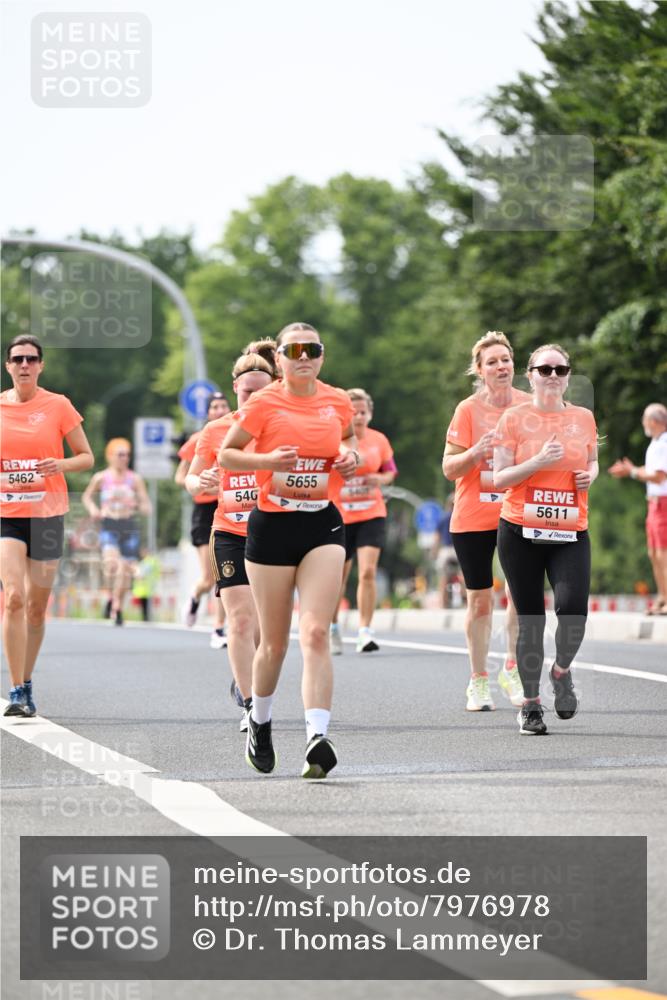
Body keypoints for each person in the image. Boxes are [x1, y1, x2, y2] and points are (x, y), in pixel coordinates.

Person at [220, 322, 359, 779]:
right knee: (274, 644)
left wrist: (349, 454)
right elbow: (228, 454)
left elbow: (349, 439)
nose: (304, 356)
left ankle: (317, 735)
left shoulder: (337, 400)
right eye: (294, 350)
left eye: (312, 349)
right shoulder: (264, 402)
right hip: (272, 526)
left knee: (316, 632)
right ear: (279, 358)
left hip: (322, 521)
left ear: (322, 355)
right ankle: (259, 722)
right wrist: (267, 462)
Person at [494, 344, 598, 736]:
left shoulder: (583, 418)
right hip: (520, 529)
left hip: (570, 530)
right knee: (532, 621)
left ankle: (562, 671)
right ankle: (532, 706)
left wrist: (593, 474)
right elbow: (500, 478)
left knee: (573, 611)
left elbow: (591, 459)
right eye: (544, 370)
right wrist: (538, 461)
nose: (553, 376)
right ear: (530, 374)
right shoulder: (514, 418)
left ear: (568, 375)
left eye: (560, 369)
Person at [186, 345, 278, 732]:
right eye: (246, 394)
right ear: (235, 390)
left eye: (262, 392)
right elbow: (192, 480)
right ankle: (249, 704)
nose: (253, 399)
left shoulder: (282, 425)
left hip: (273, 531)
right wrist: (201, 480)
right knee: (240, 621)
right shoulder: (216, 431)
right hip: (229, 532)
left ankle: (254, 685)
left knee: (261, 630)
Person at [1, 335, 94, 717]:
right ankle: (16, 689)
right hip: (7, 514)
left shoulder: (58, 406)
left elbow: (86, 457)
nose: (24, 365)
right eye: (18, 359)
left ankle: (28, 679)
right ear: (8, 366)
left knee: (37, 608)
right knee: (13, 598)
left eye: (31, 359)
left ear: (41, 365)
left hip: (47, 515)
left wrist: (60, 465)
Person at [442, 331, 528, 712]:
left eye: (505, 360)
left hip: (519, 514)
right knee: (479, 602)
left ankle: (511, 667)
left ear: (514, 365)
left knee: (520, 596)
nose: (500, 366)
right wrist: (476, 451)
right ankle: (478, 680)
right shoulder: (467, 411)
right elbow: (449, 468)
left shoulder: (531, 407)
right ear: (479, 370)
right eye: (491, 362)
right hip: (474, 517)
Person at [329, 388, 397, 654]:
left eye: (363, 412)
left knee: (368, 572)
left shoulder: (379, 440)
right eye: (353, 412)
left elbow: (390, 472)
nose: (358, 417)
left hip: (371, 513)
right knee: (338, 577)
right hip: (340, 515)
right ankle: (333, 626)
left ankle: (364, 631)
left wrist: (379, 479)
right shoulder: (335, 438)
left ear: (370, 414)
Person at [175, 391, 231, 648]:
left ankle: (219, 629)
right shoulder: (200, 439)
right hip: (203, 513)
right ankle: (196, 596)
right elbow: (181, 477)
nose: (219, 411)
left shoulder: (235, 434)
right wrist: (204, 485)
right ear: (208, 412)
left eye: (223, 406)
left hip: (229, 508)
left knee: (223, 575)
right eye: (215, 407)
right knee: (209, 578)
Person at [82, 438, 151, 626]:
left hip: (128, 525)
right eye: (121, 454)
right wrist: (94, 510)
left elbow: (146, 503)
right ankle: (113, 597)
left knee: (126, 568)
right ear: (110, 456)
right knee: (112, 565)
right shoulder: (101, 478)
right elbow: (87, 497)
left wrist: (142, 506)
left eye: (127, 455)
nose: (124, 458)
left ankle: (117, 605)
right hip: (109, 525)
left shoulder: (134, 479)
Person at [609, 403, 667, 615]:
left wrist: (632, 472)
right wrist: (632, 470)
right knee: (654, 553)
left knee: (663, 553)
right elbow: (652, 471)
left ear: (654, 421)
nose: (643, 422)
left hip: (663, 503)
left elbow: (659, 476)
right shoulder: (657, 443)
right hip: (654, 502)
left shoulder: (663, 444)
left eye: (645, 418)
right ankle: (662, 596)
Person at [433, 496, 462, 609]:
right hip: (458, 550)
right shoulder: (461, 516)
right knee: (464, 575)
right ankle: (466, 599)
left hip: (445, 551)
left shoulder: (443, 518)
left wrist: (434, 552)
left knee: (443, 577)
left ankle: (442, 603)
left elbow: (437, 537)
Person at [132, 547, 161, 622]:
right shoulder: (153, 561)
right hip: (149, 587)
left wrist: (137, 575)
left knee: (145, 605)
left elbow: (142, 574)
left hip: (145, 587)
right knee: (146, 605)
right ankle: (147, 617)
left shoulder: (147, 562)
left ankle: (146, 618)